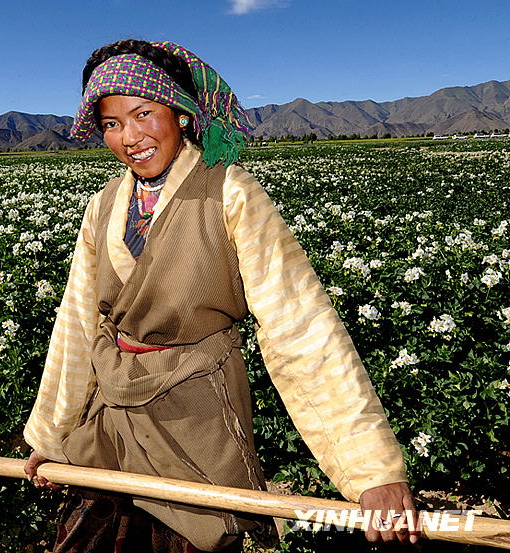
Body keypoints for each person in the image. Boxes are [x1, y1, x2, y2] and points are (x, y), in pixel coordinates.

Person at [23, 39, 420, 552]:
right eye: (112, 124)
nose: (130, 137)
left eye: (144, 114)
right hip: (113, 416)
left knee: (193, 538)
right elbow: (76, 325)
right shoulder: (102, 208)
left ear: (181, 115)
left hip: (195, 415)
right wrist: (49, 435)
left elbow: (298, 326)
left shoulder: (230, 193)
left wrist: (372, 469)